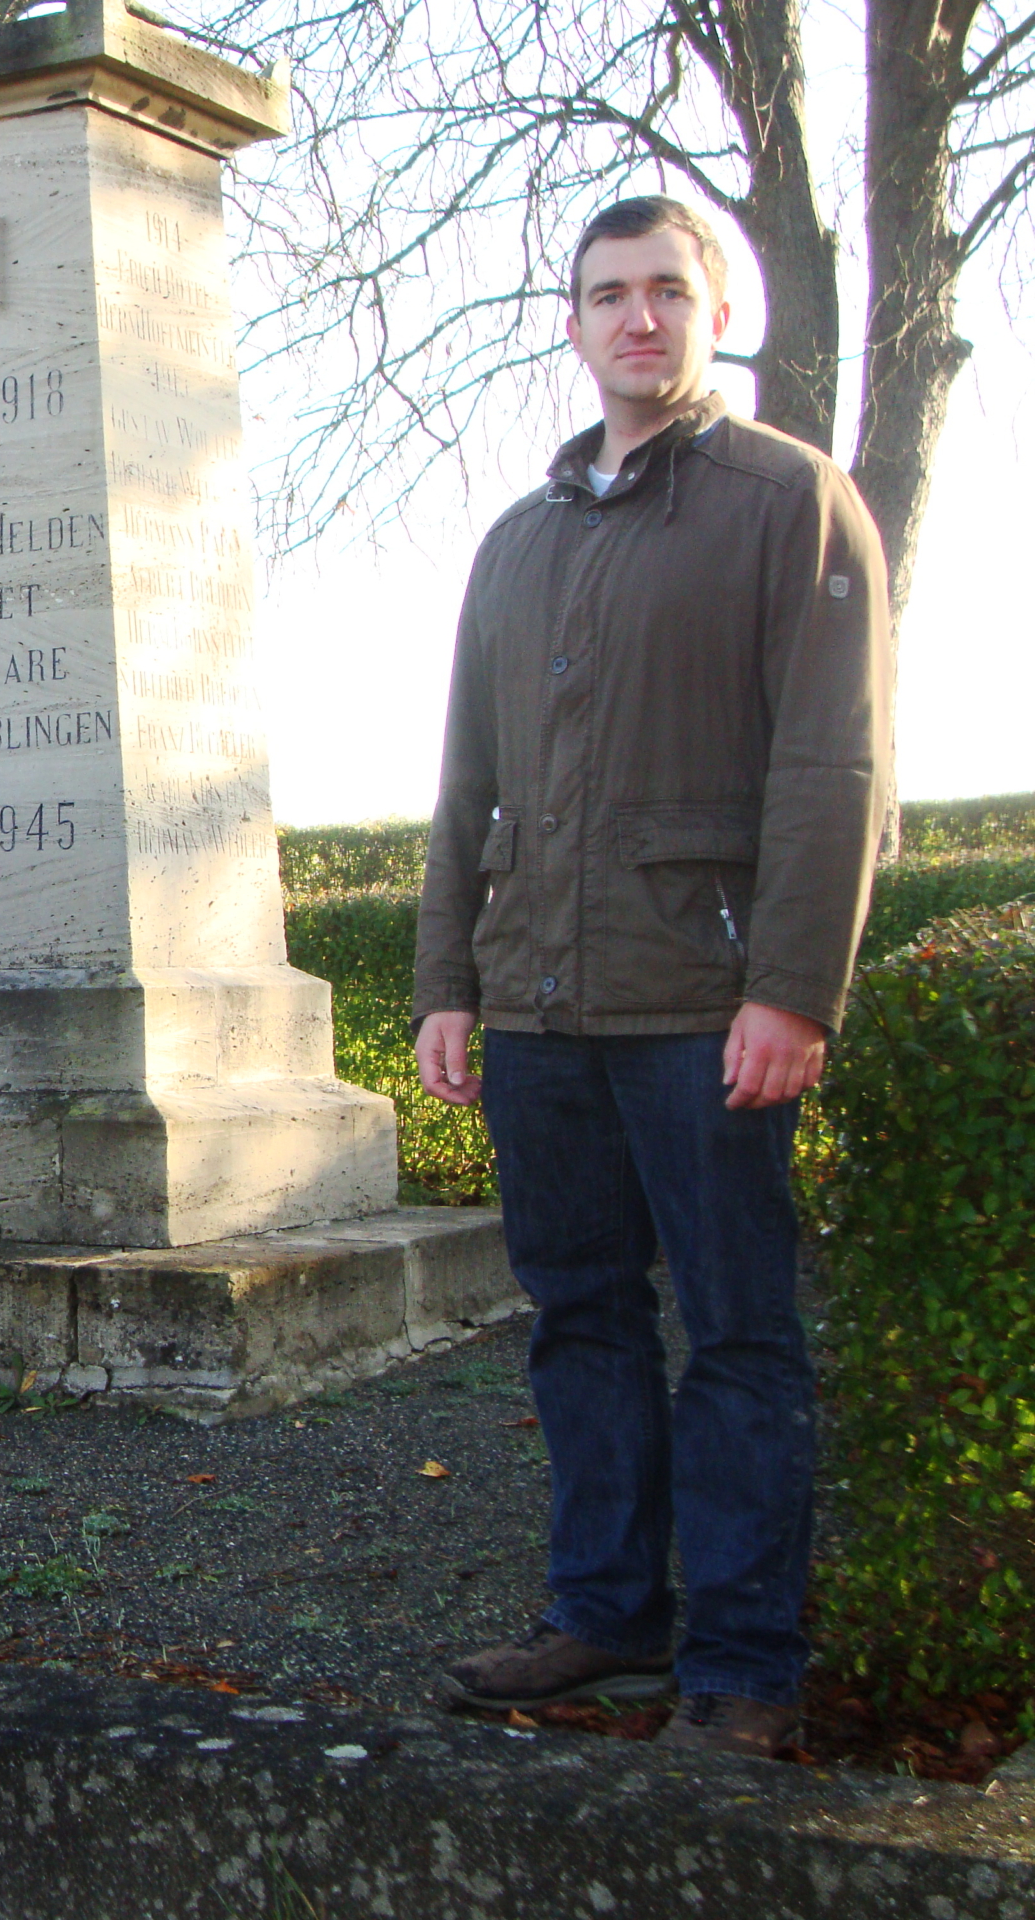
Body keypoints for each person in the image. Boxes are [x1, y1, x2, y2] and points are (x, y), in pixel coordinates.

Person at [412, 197, 891, 1758]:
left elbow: (834, 765)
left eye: (667, 292)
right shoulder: (521, 539)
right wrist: (446, 982)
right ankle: (607, 1612)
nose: (638, 319)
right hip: (541, 1008)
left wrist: (796, 987)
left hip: (709, 1005)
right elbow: (466, 782)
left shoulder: (789, 503)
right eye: (608, 294)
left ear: (712, 311)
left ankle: (746, 1667)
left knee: (742, 1338)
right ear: (572, 321)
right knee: (580, 1322)